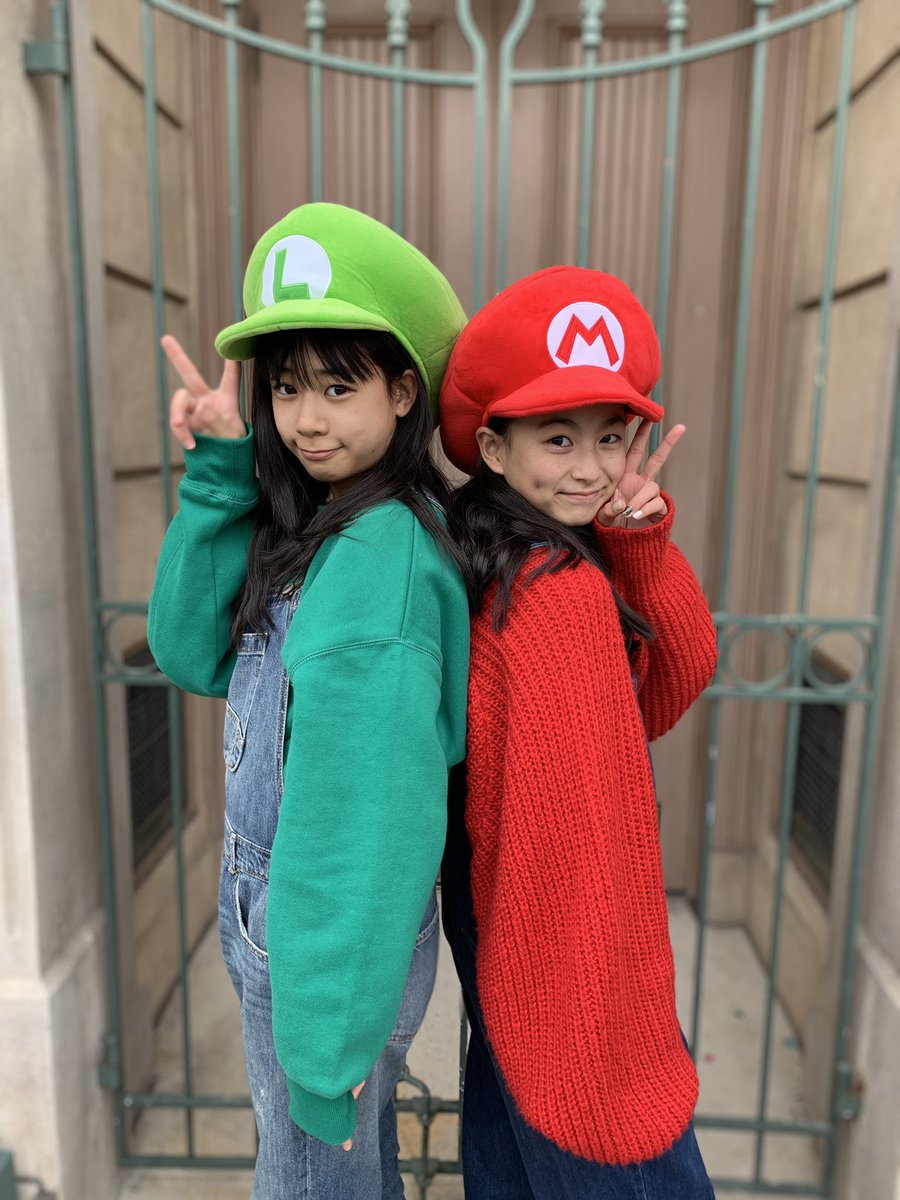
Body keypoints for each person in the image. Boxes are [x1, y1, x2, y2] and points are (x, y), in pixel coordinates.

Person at [147, 202, 470, 1199]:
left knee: (306, 1180)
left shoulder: (381, 563)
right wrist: (217, 475)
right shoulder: (321, 519)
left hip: (325, 933)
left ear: (404, 391)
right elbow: (192, 651)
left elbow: (365, 823)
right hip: (290, 916)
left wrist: (326, 1046)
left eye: (338, 385)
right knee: (335, 1176)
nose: (307, 419)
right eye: (288, 387)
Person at [437, 266, 718, 1198]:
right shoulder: (555, 591)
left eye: (609, 436)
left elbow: (663, 686)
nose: (591, 468)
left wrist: (638, 543)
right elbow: (586, 818)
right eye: (558, 438)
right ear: (494, 447)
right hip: (560, 924)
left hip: (504, 901)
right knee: (596, 1133)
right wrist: (601, 1012)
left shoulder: (505, 552)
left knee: (512, 1122)